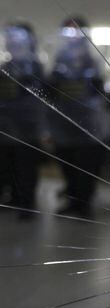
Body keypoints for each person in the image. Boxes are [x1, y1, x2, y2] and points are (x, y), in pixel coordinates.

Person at [46, 16, 107, 217]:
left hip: (88, 125)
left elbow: (100, 90)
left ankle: (84, 204)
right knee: (68, 164)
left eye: (77, 31)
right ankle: (73, 201)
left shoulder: (93, 59)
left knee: (86, 166)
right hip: (63, 123)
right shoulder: (60, 58)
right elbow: (52, 87)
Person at [0, 22, 46, 219]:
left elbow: (41, 95)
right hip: (5, 126)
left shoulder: (34, 67)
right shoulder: (5, 67)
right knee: (7, 165)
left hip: (27, 128)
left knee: (25, 167)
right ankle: (13, 198)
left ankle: (26, 202)